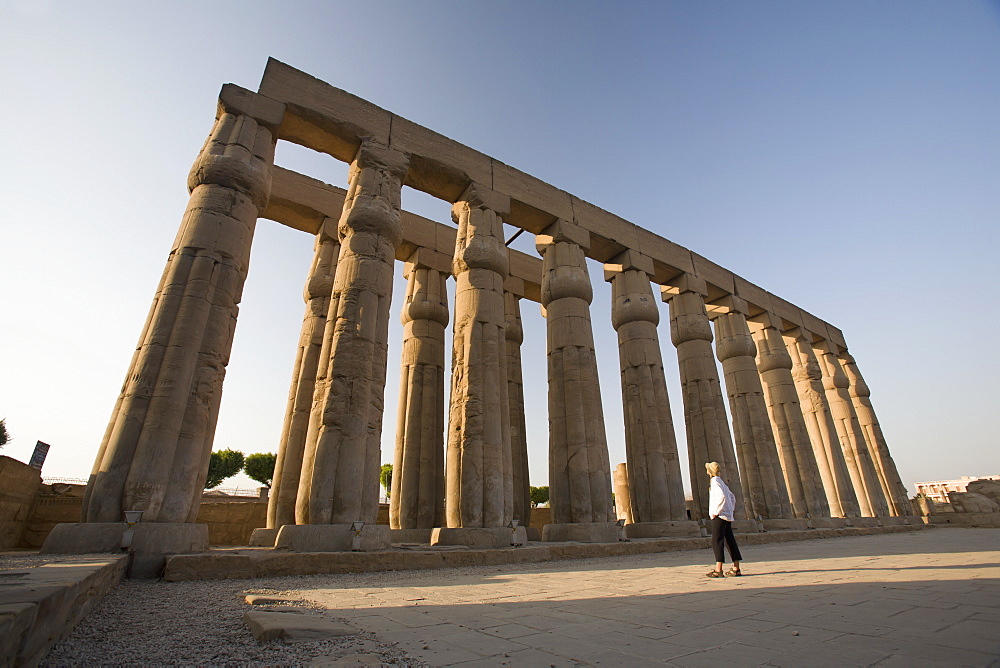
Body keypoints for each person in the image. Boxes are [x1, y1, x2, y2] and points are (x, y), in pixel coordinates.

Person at [704, 461, 743, 578]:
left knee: (717, 541)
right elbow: (732, 497)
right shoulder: (722, 482)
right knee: (730, 540)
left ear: (709, 472)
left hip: (719, 516)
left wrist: (716, 512)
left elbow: (722, 497)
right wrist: (730, 510)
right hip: (726, 515)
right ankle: (736, 567)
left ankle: (718, 569)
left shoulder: (715, 483)